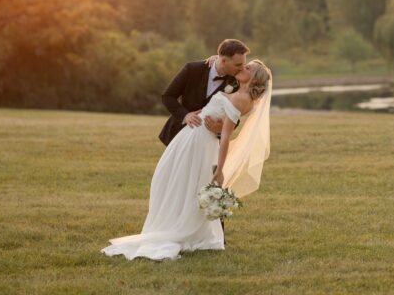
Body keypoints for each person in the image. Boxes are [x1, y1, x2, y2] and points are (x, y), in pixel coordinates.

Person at [101, 59, 272, 261]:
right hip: (191, 137)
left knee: (186, 183)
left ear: (253, 78)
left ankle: (179, 229)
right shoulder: (236, 87)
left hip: (201, 142)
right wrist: (215, 58)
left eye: (248, 68)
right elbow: (224, 62)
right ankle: (170, 222)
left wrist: (220, 170)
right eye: (243, 65)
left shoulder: (243, 98)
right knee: (171, 180)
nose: (243, 67)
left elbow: (225, 136)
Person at [158, 39, 249, 146]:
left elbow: (235, 115)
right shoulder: (192, 69)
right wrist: (185, 115)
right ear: (224, 61)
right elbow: (168, 96)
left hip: (208, 141)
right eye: (238, 65)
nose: (242, 68)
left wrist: (221, 128)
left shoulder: (237, 82)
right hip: (179, 134)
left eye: (243, 64)